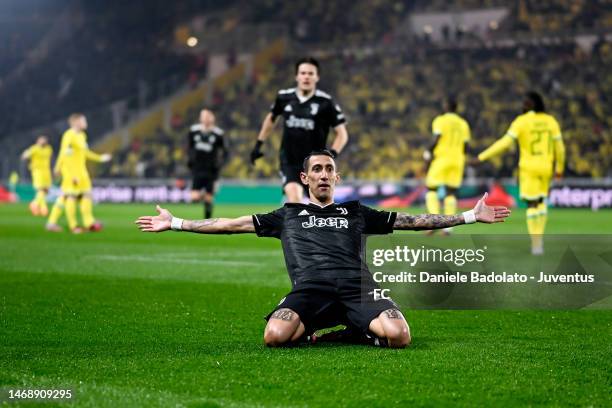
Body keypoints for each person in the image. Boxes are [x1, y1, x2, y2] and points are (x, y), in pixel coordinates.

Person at [136, 150, 510, 348]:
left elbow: (411, 221)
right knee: (274, 338)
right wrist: (177, 222)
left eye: (329, 169)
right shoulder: (287, 214)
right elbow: (229, 225)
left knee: (400, 337)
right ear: (305, 178)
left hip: (356, 287)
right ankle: (347, 328)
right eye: (317, 169)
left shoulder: (356, 211)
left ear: (337, 177)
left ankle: (351, 330)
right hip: (310, 290)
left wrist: (468, 217)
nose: (324, 174)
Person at [250, 57, 349, 203]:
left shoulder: (326, 102)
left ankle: (291, 214)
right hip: (289, 161)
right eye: (303, 73)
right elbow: (271, 119)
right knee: (294, 199)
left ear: (317, 77)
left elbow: (342, 134)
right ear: (297, 76)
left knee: (319, 206)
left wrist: (331, 156)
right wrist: (258, 145)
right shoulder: (284, 97)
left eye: (310, 73)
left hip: (315, 164)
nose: (306, 76)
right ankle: (290, 212)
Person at [477, 91, 565, 255]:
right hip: (546, 166)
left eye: (525, 103)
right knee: (541, 201)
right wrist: (559, 168)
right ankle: (540, 238)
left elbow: (504, 143)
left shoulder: (521, 121)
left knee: (532, 204)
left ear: (532, 104)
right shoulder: (550, 121)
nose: (522, 106)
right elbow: (560, 148)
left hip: (528, 167)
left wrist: (482, 157)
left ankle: (536, 243)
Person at [46, 113, 111, 233]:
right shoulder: (69, 135)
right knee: (70, 196)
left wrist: (100, 158)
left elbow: (86, 152)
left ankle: (89, 222)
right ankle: (73, 226)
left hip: (82, 171)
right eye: (83, 120)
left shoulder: (82, 135)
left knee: (86, 195)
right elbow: (64, 154)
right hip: (71, 172)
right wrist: (59, 169)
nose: (86, 123)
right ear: (76, 122)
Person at [423, 96, 471, 235]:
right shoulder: (463, 123)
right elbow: (466, 146)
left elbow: (437, 138)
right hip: (457, 161)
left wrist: (428, 150)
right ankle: (448, 228)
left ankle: (433, 223)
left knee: (432, 189)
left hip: (442, 159)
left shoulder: (440, 120)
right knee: (451, 193)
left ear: (446, 106)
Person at [187, 109, 228, 219]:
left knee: (209, 199)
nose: (205, 118)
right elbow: (190, 148)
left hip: (211, 170)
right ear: (200, 118)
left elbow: (225, 151)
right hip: (197, 169)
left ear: (212, 118)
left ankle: (207, 219)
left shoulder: (218, 134)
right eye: (203, 116)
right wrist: (190, 161)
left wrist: (220, 164)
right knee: (194, 198)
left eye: (208, 116)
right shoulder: (193, 131)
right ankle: (205, 197)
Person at [21, 135, 53, 216]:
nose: (43, 141)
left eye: (45, 140)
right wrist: (26, 156)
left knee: (45, 191)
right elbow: (25, 156)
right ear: (38, 141)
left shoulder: (49, 149)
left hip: (46, 172)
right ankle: (41, 208)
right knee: (40, 190)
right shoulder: (34, 148)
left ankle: (38, 206)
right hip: (37, 172)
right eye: (41, 140)